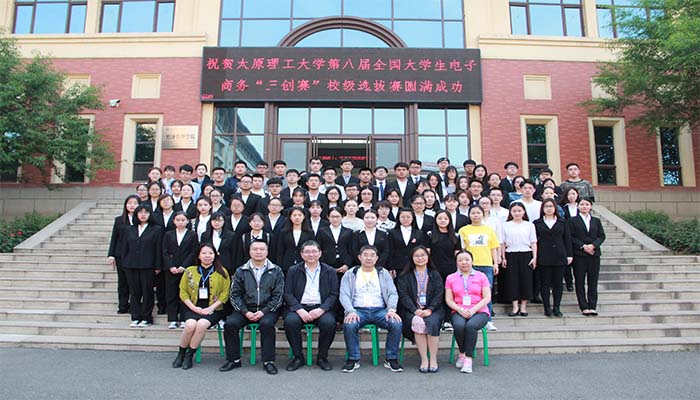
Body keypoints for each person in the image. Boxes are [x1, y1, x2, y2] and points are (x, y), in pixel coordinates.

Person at [220, 240, 285, 375]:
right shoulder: (241, 270)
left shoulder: (276, 270)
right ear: (249, 252)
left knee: (267, 324)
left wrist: (264, 311)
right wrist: (245, 311)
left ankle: (268, 361)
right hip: (245, 308)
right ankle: (234, 359)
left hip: (268, 309)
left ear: (267, 252)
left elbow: (278, 296)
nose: (258, 252)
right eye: (255, 249)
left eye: (262, 249)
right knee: (230, 324)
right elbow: (235, 294)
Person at [340, 245, 404, 373]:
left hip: (380, 310)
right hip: (358, 310)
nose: (368, 258)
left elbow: (392, 293)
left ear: (376, 258)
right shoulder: (351, 273)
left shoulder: (383, 273)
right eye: (365, 255)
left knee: (396, 323)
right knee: (349, 324)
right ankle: (353, 358)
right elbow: (344, 294)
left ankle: (391, 358)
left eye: (372, 255)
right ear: (359, 257)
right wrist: (350, 311)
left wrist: (391, 309)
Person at [283, 240, 340, 371]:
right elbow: (288, 293)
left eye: (314, 251)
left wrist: (322, 309)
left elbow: (334, 294)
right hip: (300, 307)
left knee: (329, 323)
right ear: (302, 254)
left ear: (320, 253)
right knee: (290, 322)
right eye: (307, 252)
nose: (311, 254)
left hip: (321, 307)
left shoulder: (330, 271)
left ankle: (322, 357)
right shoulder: (293, 270)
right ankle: (298, 357)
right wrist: (299, 309)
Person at [172, 244, 230, 370]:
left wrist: (211, 308)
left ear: (215, 255)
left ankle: (189, 355)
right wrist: (193, 308)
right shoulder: (189, 271)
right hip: (192, 307)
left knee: (202, 324)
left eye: (210, 253)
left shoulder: (222, 272)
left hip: (213, 310)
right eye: (204, 253)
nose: (207, 256)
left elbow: (225, 294)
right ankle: (181, 353)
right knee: (190, 325)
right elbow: (183, 292)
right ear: (198, 255)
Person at [396, 246, 444, 373]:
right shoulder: (405, 276)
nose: (420, 258)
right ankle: (424, 359)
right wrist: (414, 310)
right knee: (418, 322)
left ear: (428, 257)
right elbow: (403, 296)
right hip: (411, 310)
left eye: (423, 255)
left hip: (433, 310)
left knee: (432, 322)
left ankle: (433, 359)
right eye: (417, 256)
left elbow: (439, 295)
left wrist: (430, 309)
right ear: (412, 258)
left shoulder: (435, 274)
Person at [444, 250, 491, 374]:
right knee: (459, 326)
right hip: (458, 310)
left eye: (467, 260)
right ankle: (462, 353)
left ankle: (468, 359)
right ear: (456, 262)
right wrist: (460, 309)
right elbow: (448, 299)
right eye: (460, 260)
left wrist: (473, 310)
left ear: (472, 261)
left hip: (479, 311)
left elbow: (487, 297)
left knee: (470, 326)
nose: (464, 262)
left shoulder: (481, 276)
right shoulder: (450, 278)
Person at [457, 205, 500, 331]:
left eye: (478, 213)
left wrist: (495, 263)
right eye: (473, 213)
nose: (475, 215)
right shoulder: (463, 230)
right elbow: (461, 250)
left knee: (487, 293)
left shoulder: (489, 230)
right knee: (469, 292)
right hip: (469, 266)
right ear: (469, 215)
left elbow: (493, 248)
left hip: (486, 264)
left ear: (483, 214)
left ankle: (488, 319)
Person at [122, 205, 163, 327]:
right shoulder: (129, 229)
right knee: (134, 292)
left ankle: (146, 317)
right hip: (131, 265)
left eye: (146, 212)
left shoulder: (156, 229)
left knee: (147, 292)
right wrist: (124, 263)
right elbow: (124, 247)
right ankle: (135, 317)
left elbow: (158, 248)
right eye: (140, 212)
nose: (143, 215)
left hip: (148, 265)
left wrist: (158, 265)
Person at [534, 199, 573, 317]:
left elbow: (567, 239)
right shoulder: (537, 223)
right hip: (544, 255)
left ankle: (557, 307)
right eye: (546, 206)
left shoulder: (562, 222)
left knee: (558, 283)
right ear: (542, 208)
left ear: (555, 208)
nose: (549, 208)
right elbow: (534, 240)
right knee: (545, 283)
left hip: (559, 255)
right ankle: (547, 308)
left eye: (551, 206)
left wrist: (569, 255)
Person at [569, 198, 605, 316]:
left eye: (587, 204)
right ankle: (583, 306)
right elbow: (571, 237)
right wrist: (583, 246)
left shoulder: (596, 221)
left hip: (594, 254)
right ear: (578, 206)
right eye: (582, 204)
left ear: (591, 206)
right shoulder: (572, 221)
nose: (584, 206)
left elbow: (601, 236)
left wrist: (593, 245)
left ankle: (592, 306)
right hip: (579, 255)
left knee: (593, 281)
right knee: (579, 281)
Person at [162, 211, 198, 329]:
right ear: (174, 221)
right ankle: (172, 318)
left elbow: (193, 252)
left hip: (186, 269)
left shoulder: (192, 235)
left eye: (183, 220)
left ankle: (184, 318)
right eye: (178, 220)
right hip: (171, 269)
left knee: (186, 294)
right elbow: (164, 251)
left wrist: (184, 266)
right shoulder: (168, 234)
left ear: (187, 221)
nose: (180, 222)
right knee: (171, 293)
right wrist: (170, 266)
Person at [501, 203, 538, 317]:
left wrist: (534, 257)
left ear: (524, 212)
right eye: (514, 211)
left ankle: (523, 307)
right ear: (510, 212)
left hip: (526, 254)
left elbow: (533, 242)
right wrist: (503, 257)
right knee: (512, 280)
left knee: (526, 280)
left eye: (519, 211)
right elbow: (503, 243)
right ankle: (515, 306)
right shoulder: (505, 225)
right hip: (510, 253)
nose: (517, 213)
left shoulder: (529, 225)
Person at [108, 195, 139, 314]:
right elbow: (114, 238)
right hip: (121, 255)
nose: (132, 205)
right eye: (129, 203)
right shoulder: (119, 220)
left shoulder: (141, 220)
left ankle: (135, 305)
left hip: (136, 255)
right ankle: (123, 305)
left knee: (134, 281)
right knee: (123, 281)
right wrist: (111, 255)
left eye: (135, 203)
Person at [276, 207, 315, 273]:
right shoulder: (284, 232)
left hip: (304, 263)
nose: (297, 217)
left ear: (304, 217)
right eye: (294, 215)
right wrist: (279, 265)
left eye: (299, 215)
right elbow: (280, 250)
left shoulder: (309, 232)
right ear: (290, 217)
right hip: (287, 264)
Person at [388, 208, 426, 274]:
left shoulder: (419, 233)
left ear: (413, 218)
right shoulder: (392, 233)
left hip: (414, 265)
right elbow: (390, 250)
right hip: (397, 266)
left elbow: (421, 250)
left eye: (408, 217)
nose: (405, 219)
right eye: (403, 217)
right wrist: (390, 267)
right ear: (398, 218)